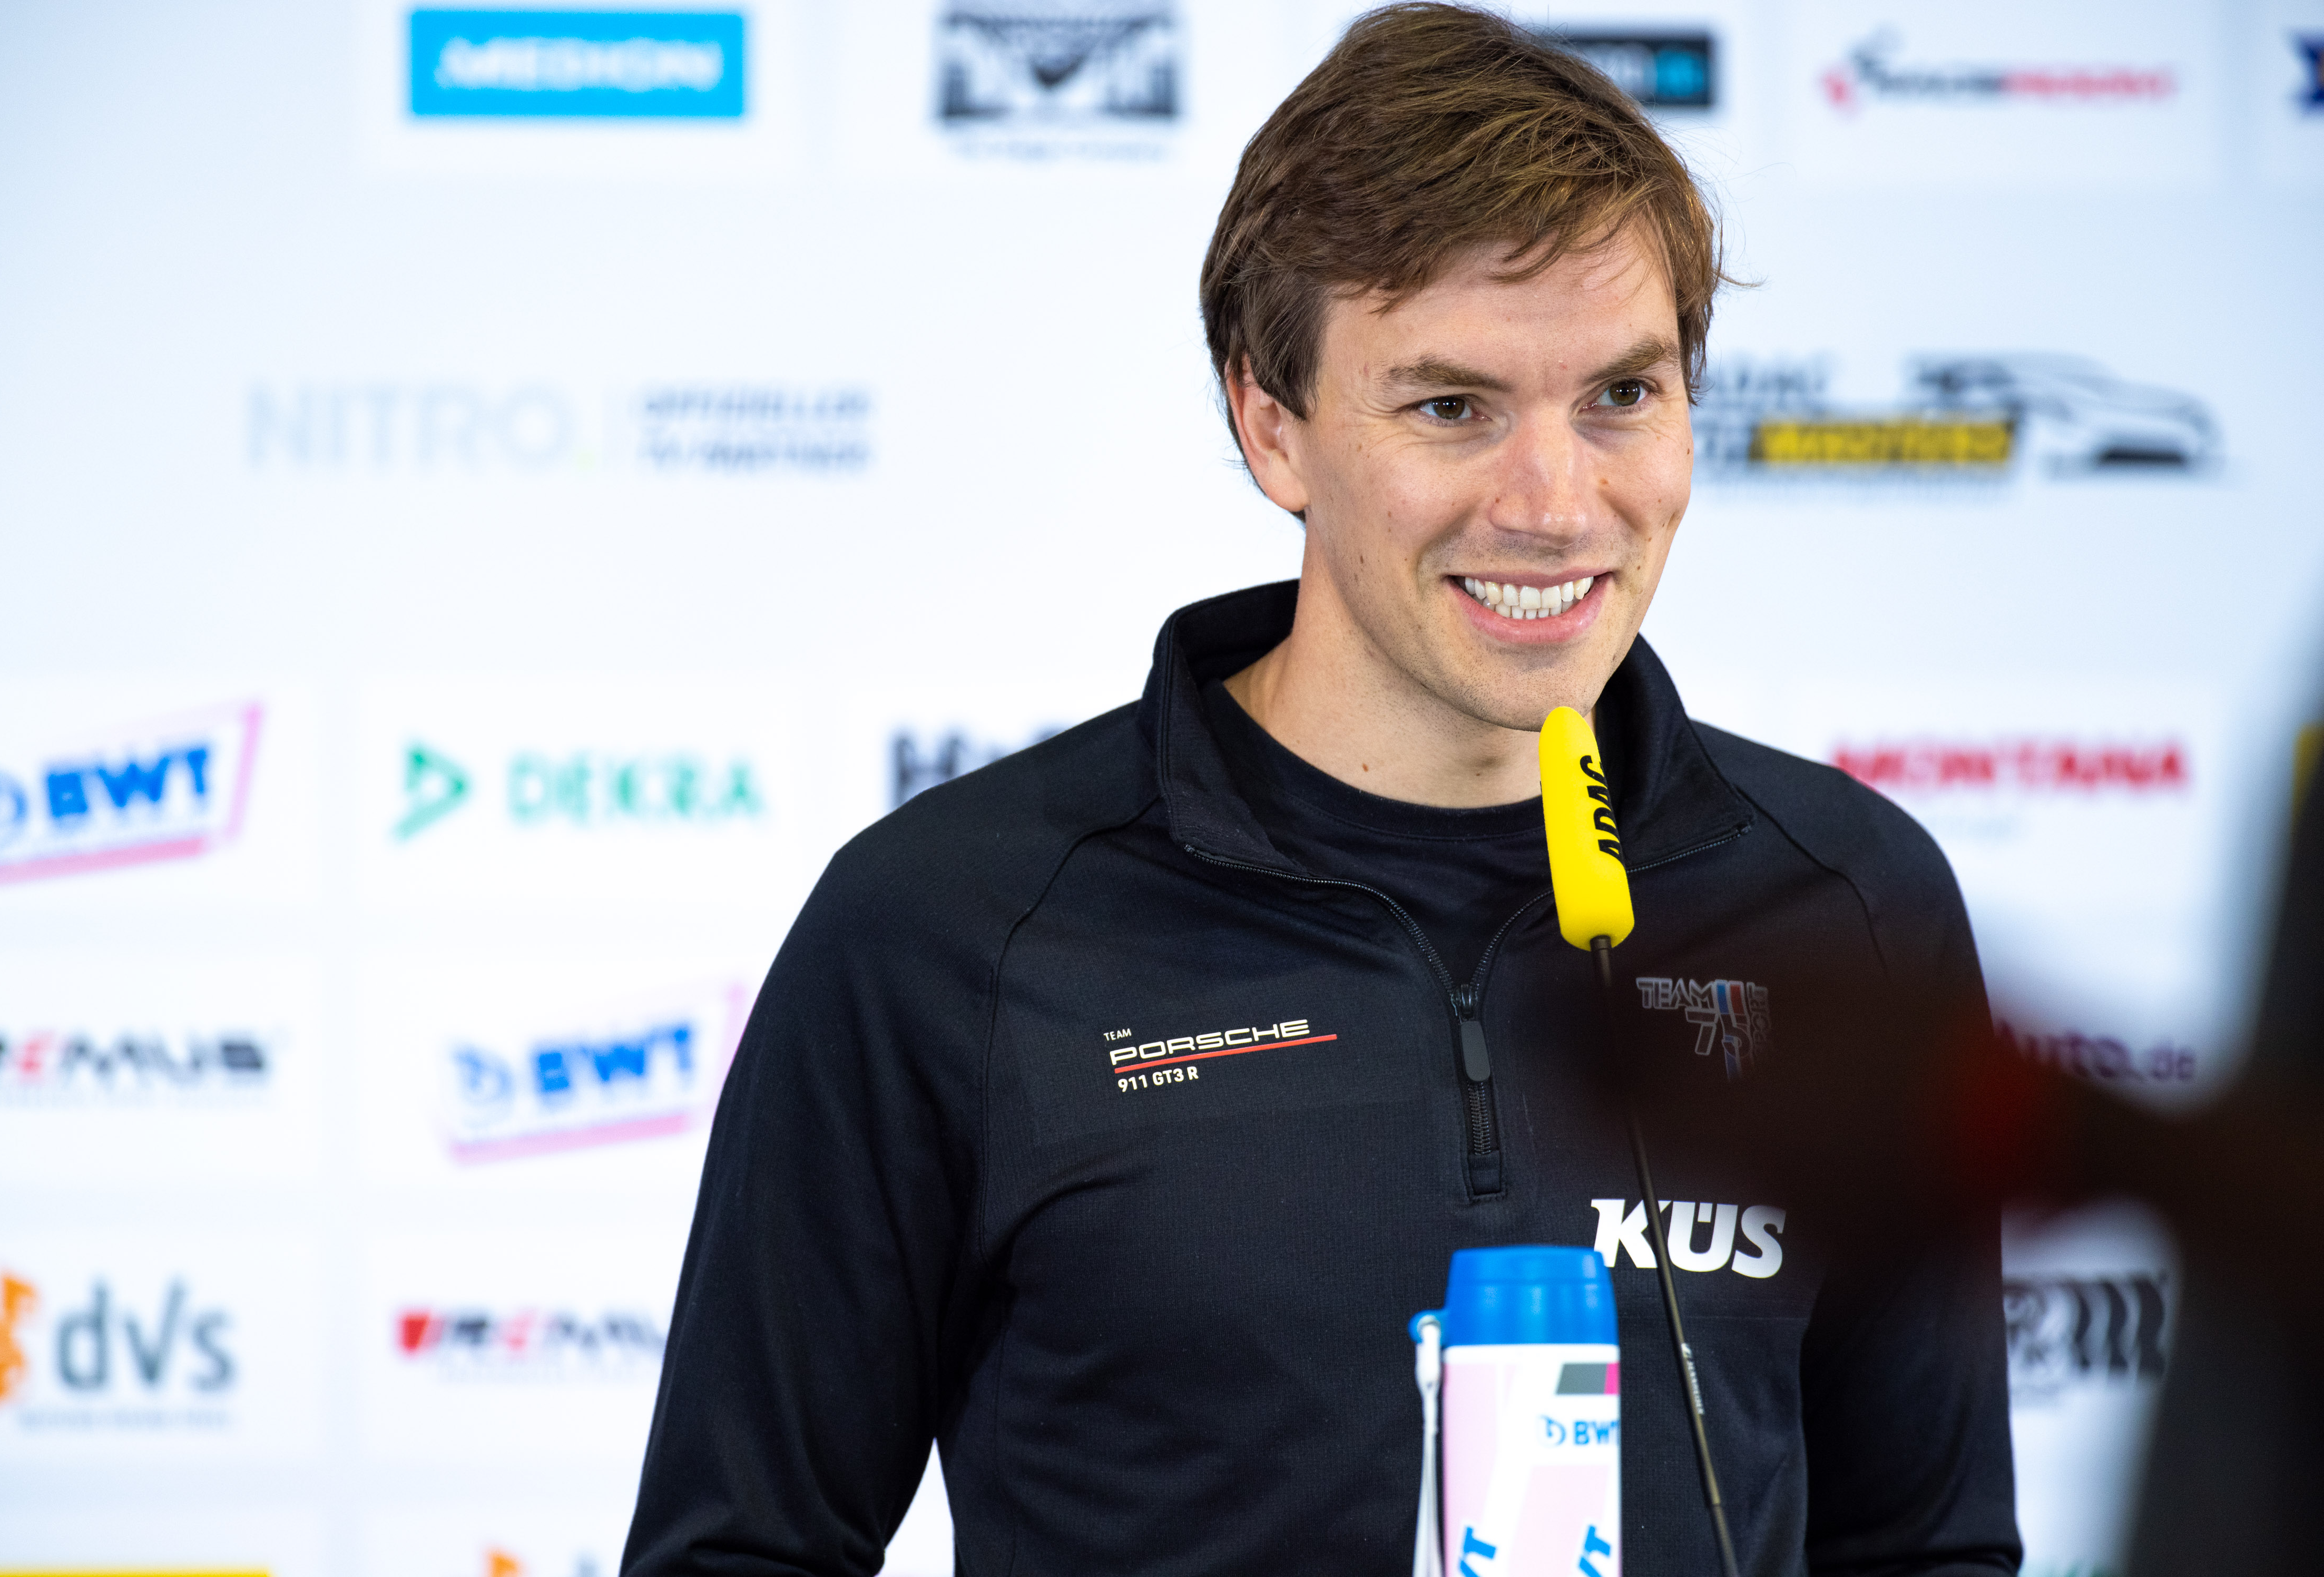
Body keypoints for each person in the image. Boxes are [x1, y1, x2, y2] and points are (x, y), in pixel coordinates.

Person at [622, 7, 2021, 1573]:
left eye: (1621, 396)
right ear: (1270, 427)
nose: (1557, 505)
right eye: (1451, 407)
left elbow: (1930, 1553)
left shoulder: (1855, 910)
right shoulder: (945, 928)